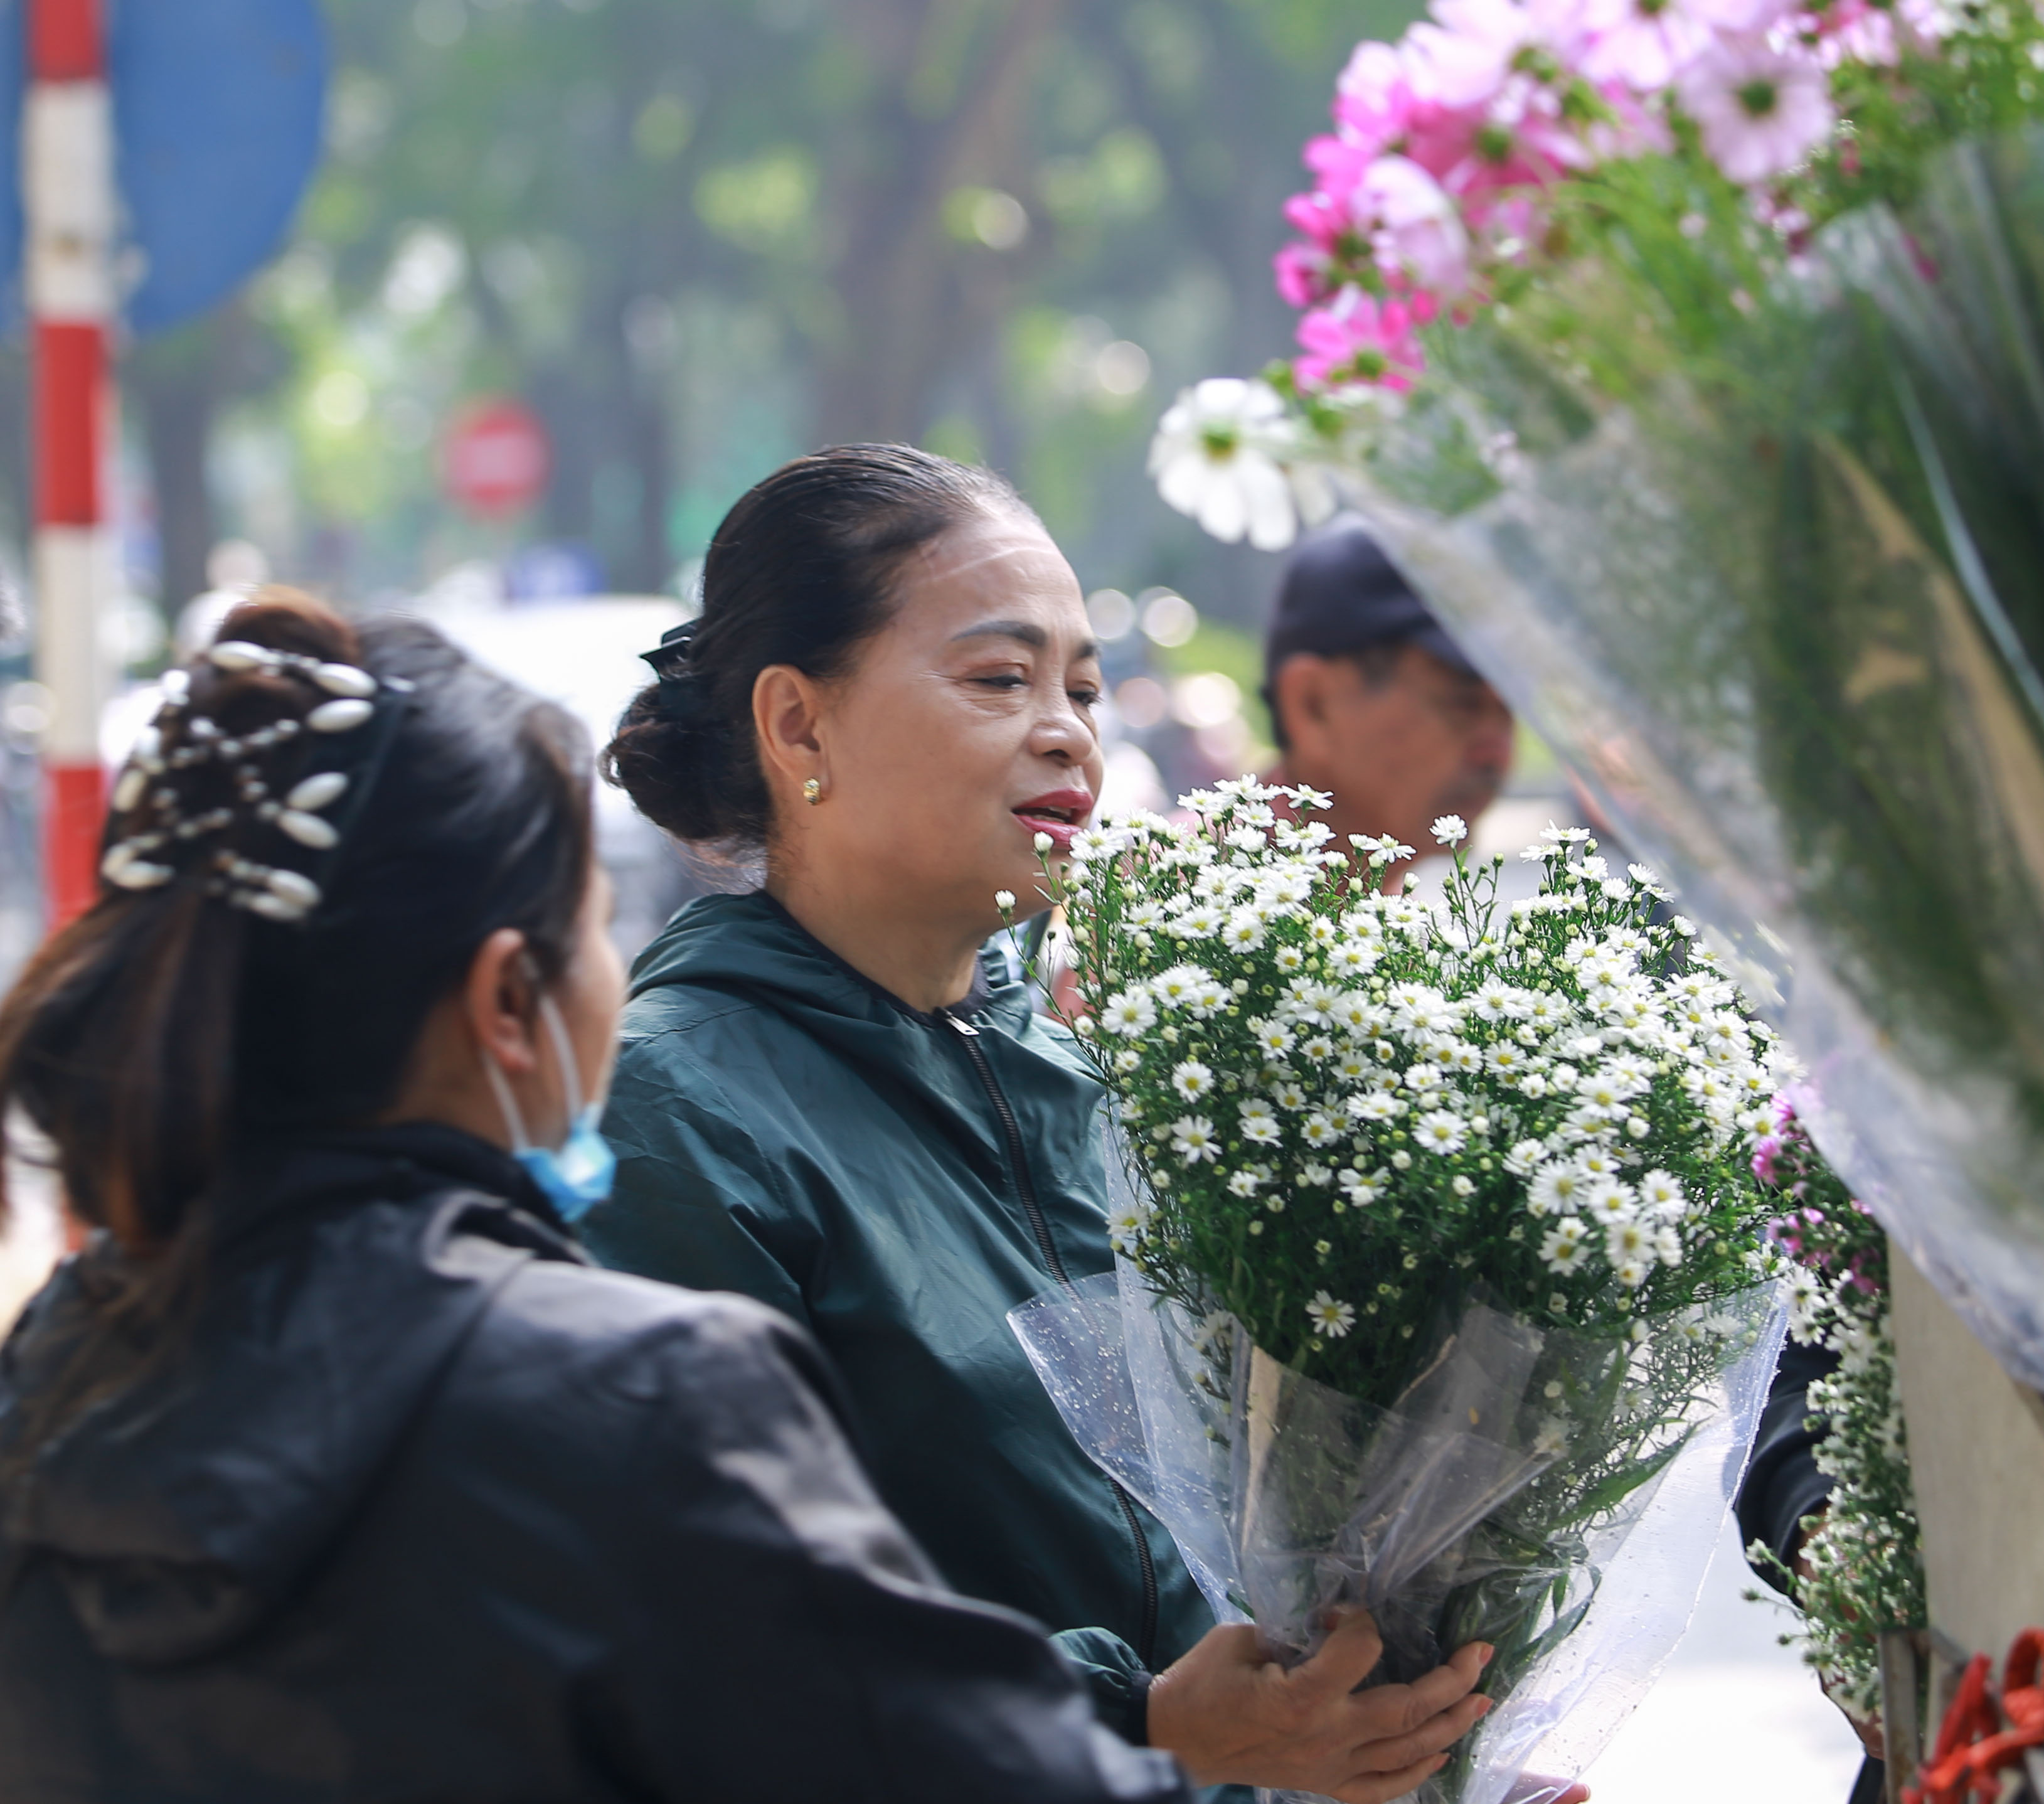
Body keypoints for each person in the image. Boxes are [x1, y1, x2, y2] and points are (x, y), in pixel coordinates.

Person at [0, 595, 1237, 1801]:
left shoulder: (54, 1363)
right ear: (505, 1006)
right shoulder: (640, 1392)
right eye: (593, 924)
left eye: (1077, 683)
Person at [587, 446, 1510, 1804]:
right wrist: (1127, 1721)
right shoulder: (677, 1115)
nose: (1071, 729)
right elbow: (713, 1638)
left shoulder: (1100, 1065)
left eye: (1080, 684)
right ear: (798, 729)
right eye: (997, 678)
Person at [1259, 517, 1516, 888]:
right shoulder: (1169, 915)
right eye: (1462, 703)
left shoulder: (1378, 919)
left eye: (1512, 708)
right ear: (1313, 707)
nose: (1497, 754)